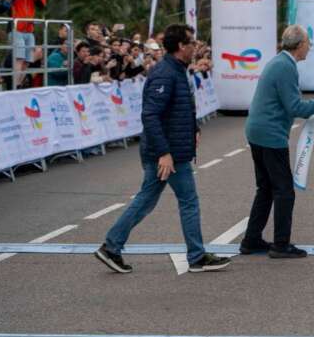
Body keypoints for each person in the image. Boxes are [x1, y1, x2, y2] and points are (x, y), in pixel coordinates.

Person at [95, 24, 229, 274]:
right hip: (168, 154)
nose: (195, 47)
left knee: (147, 199)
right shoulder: (165, 73)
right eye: (192, 42)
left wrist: (194, 128)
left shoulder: (176, 70)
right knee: (187, 201)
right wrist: (164, 153)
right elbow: (151, 115)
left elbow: (178, 108)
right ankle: (197, 256)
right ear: (181, 46)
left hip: (171, 150)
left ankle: (112, 246)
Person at [240, 25, 314, 259]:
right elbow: (296, 107)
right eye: (308, 43)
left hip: (258, 131)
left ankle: (251, 240)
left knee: (265, 188)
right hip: (270, 134)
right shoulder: (286, 67)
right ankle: (281, 244)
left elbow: (292, 103)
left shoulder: (280, 63)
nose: (310, 47)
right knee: (284, 191)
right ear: (299, 45)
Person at [8, 0, 47, 76]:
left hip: (29, 31)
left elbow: (43, 4)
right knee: (19, 59)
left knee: (27, 61)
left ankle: (19, 86)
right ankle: (15, 88)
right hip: (17, 30)